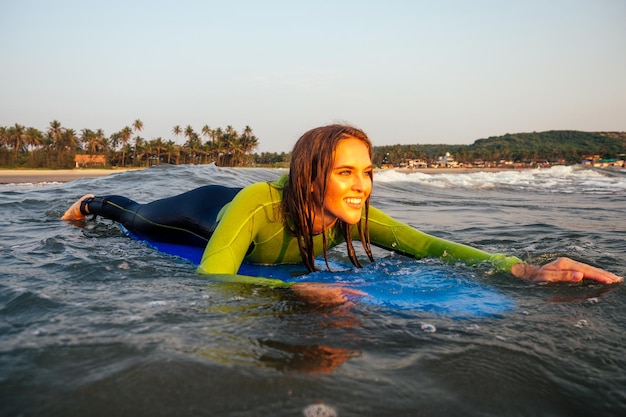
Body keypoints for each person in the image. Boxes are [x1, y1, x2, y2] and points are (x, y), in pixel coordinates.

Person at [62, 124, 623, 304]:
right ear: (312, 176)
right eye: (346, 172)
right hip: (205, 212)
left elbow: (427, 245)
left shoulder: (352, 217)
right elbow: (213, 278)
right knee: (134, 219)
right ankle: (94, 200)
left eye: (369, 171)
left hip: (237, 217)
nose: (363, 186)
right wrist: (288, 292)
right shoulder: (261, 203)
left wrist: (523, 269)